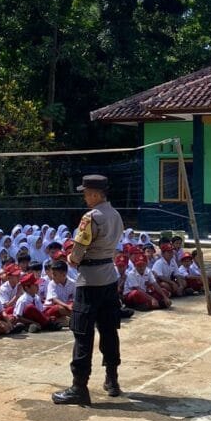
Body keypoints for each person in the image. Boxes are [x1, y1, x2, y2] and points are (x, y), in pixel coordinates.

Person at [52, 174, 124, 405]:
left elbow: (79, 249)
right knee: (109, 329)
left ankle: (79, 387)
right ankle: (112, 380)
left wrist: (73, 259)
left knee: (82, 333)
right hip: (109, 277)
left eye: (86, 193)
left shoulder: (91, 217)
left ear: (95, 194)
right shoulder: (115, 214)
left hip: (90, 279)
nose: (84, 197)